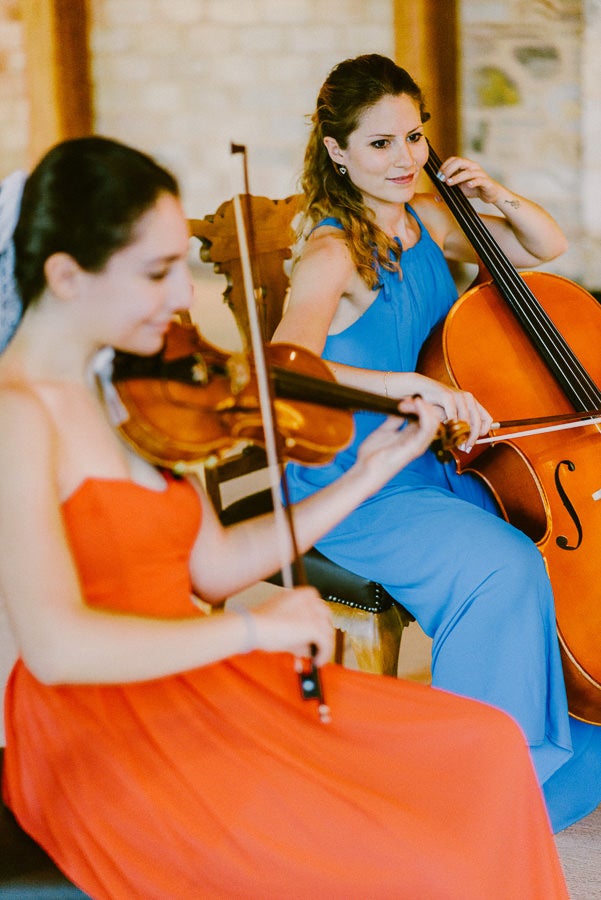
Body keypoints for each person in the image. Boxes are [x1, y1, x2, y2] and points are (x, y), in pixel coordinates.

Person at [0, 136, 568, 899]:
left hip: (199, 680)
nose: (181, 299)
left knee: (486, 744)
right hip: (102, 733)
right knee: (404, 861)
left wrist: (364, 475)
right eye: (157, 272)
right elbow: (58, 648)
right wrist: (255, 631)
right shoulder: (17, 416)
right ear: (66, 275)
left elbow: (212, 565)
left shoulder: (128, 395)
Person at [272, 52, 601, 834]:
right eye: (379, 144)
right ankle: (467, 785)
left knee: (556, 556)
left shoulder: (425, 221)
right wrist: (406, 388)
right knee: (506, 563)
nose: (404, 159)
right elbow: (286, 365)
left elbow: (543, 250)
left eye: (413, 137)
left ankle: (551, 742)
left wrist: (496, 196)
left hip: (432, 457)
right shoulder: (331, 253)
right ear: (337, 151)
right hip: (357, 478)